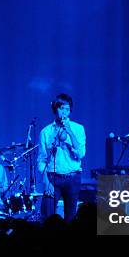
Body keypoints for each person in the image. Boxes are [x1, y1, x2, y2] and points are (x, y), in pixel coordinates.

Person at [37, 93, 86, 222]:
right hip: (53, 178)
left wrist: (69, 131)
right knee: (48, 217)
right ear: (55, 109)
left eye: (67, 109)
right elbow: (42, 159)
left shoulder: (78, 128)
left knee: (71, 218)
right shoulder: (46, 132)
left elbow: (81, 153)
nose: (64, 112)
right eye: (61, 108)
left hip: (72, 178)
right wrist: (46, 181)